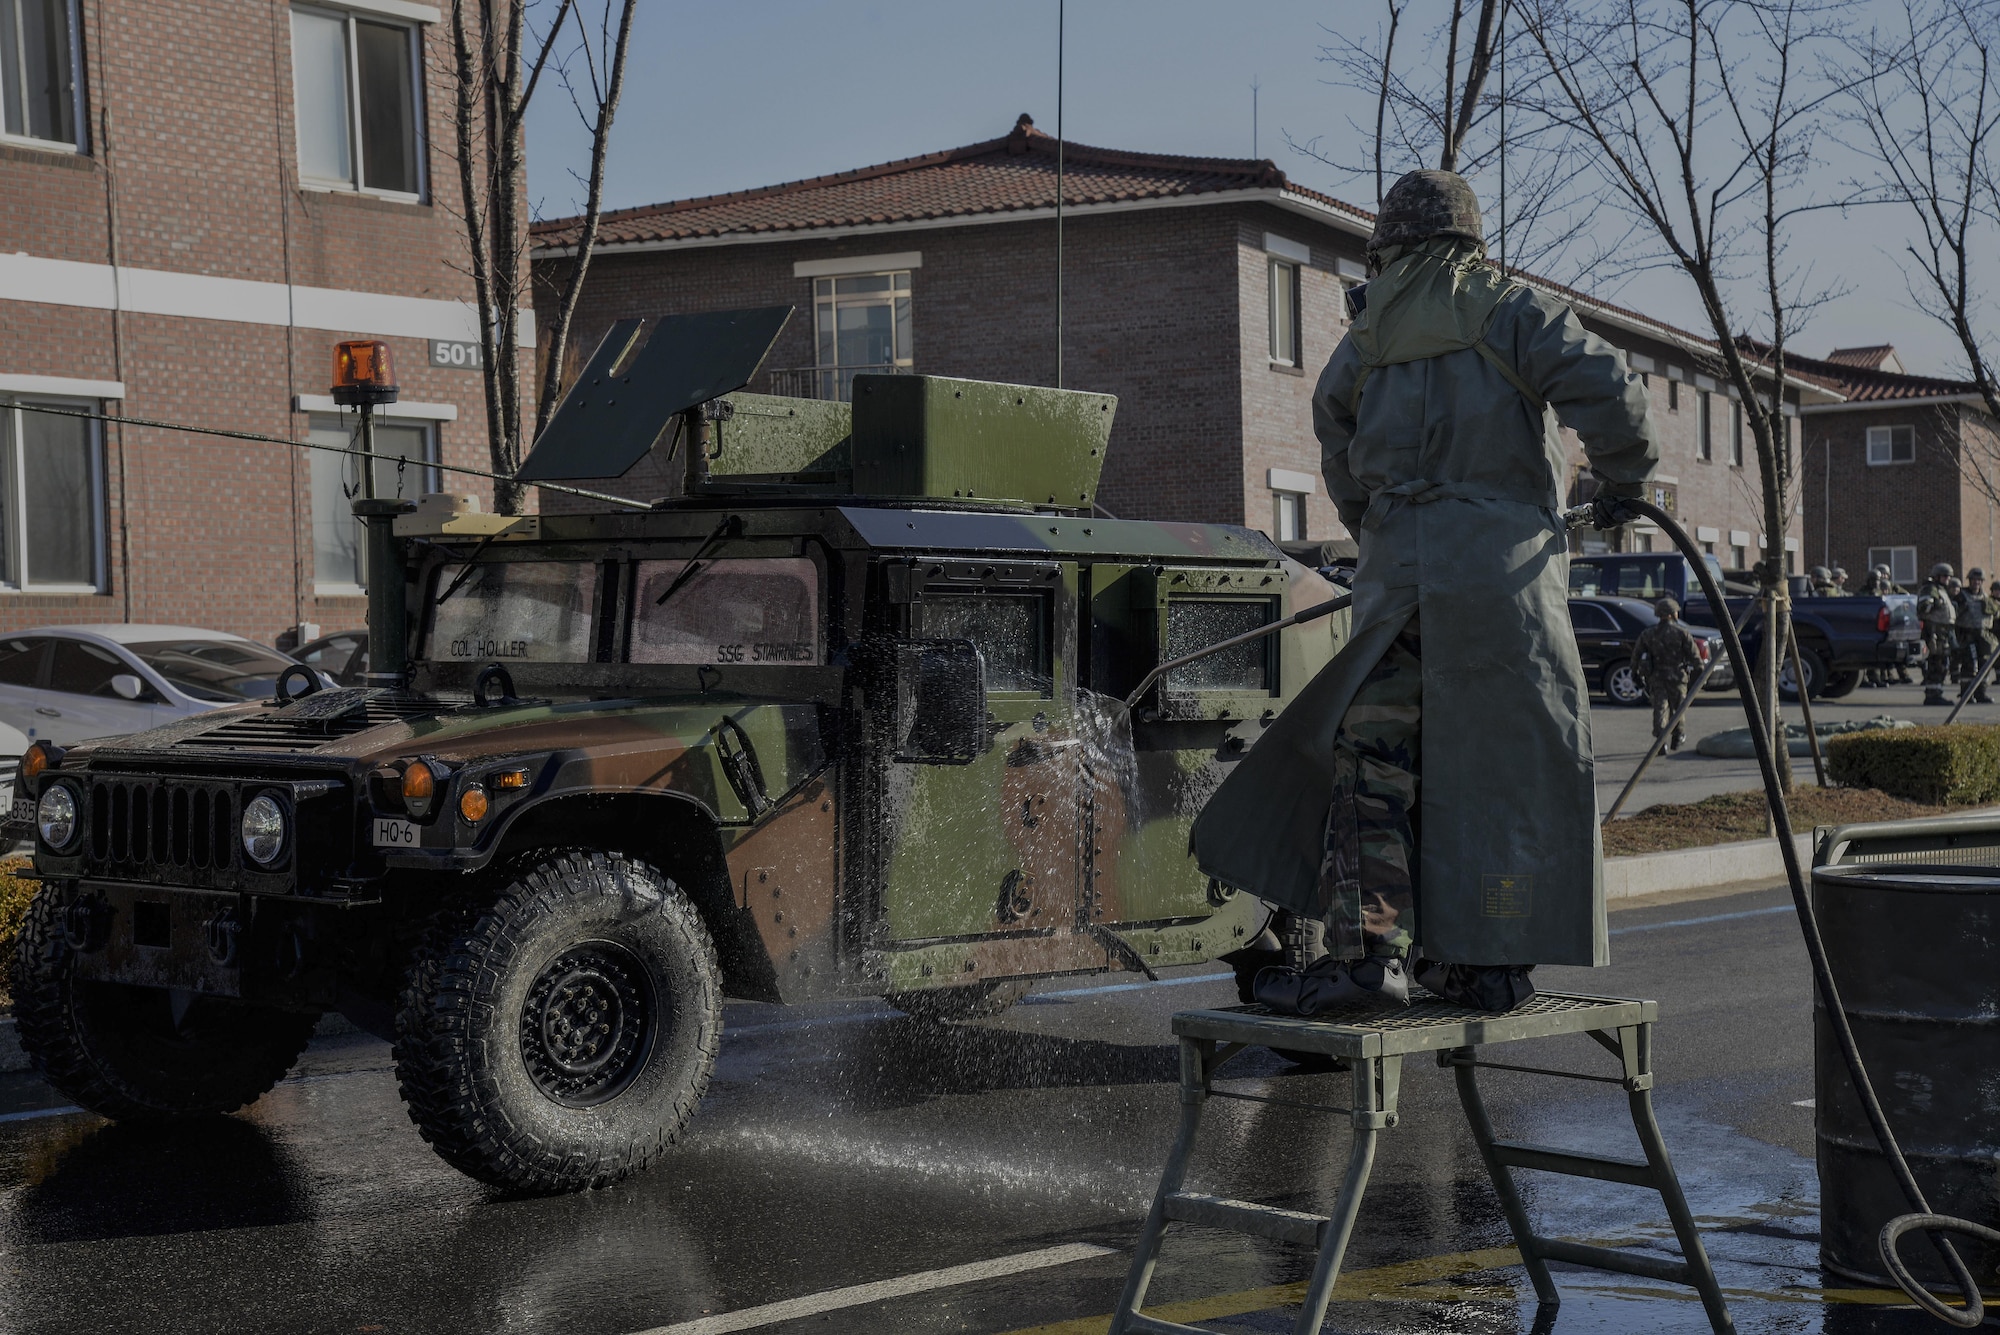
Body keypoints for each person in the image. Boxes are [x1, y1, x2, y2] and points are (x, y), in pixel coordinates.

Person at [1191, 169, 1659, 1016]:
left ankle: (1371, 958)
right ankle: (1489, 962)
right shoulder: (1514, 309)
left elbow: (1335, 445)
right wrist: (1624, 480)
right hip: (1505, 584)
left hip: (1397, 585)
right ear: (1468, 237)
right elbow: (1613, 392)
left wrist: (1384, 525)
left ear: (1391, 241)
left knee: (1374, 763)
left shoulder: (1364, 338)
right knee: (1503, 763)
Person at [1634, 598, 1704, 751]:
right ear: (1673, 614)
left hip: (1656, 677)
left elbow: (1636, 656)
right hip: (1678, 677)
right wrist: (1697, 679)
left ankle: (1660, 740)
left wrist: (1635, 674)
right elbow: (1696, 660)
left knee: (1660, 708)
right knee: (1678, 708)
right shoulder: (1682, 633)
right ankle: (1678, 736)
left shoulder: (1648, 634)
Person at [1918, 562, 1959, 705]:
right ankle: (1933, 695)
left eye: (1949, 577)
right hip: (1934, 632)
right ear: (1936, 576)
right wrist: (1934, 603)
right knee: (1937, 664)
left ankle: (1936, 692)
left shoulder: (1941, 590)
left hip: (1943, 633)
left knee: (1943, 664)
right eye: (1945, 576)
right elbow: (1924, 608)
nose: (1948, 579)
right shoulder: (1930, 589)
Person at [1958, 568, 1998, 704]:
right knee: (1969, 665)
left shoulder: (1986, 598)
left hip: (1984, 634)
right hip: (1967, 634)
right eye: (1974, 580)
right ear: (1969, 581)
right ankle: (1966, 695)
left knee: (1985, 665)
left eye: (1979, 580)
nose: (1976, 583)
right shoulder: (1961, 595)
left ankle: (1981, 693)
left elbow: (1996, 613)